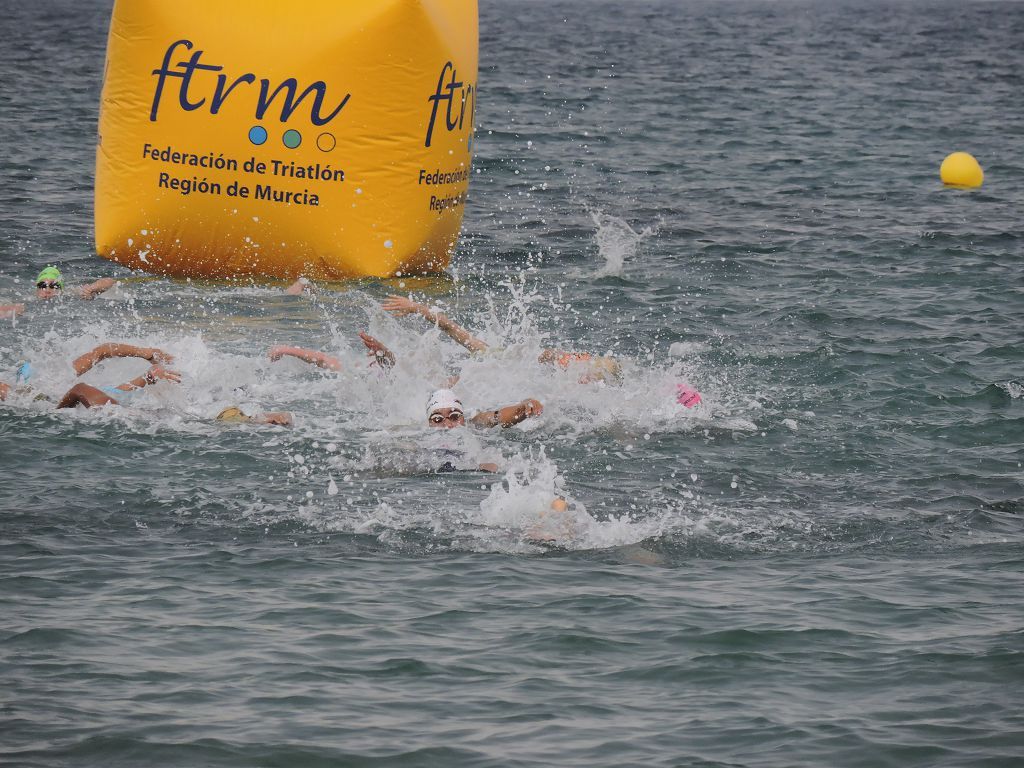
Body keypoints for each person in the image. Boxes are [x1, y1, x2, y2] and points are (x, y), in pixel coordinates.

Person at [381, 294, 622, 383]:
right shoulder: (509, 361)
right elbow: (453, 330)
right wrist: (417, 308)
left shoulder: (541, 381)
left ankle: (390, 367)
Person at [31, 266, 118, 302]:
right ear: (36, 288)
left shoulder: (70, 293)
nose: (47, 290)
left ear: (61, 289)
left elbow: (110, 281)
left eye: (54, 286)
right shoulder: (28, 299)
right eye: (42, 285)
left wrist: (92, 288)